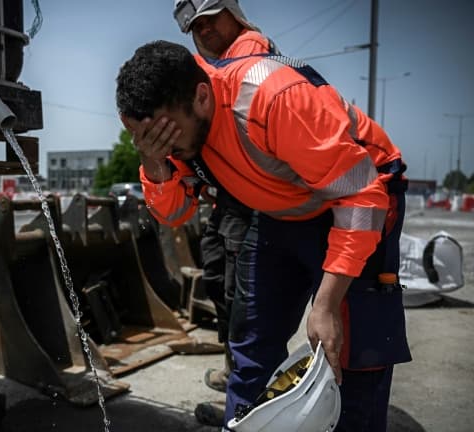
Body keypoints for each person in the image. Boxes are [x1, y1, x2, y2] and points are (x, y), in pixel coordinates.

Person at [116, 40, 411, 431]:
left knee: (353, 350)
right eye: (146, 139)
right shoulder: (170, 131)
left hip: (361, 195)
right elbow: (173, 213)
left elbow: (361, 198)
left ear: (201, 96)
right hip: (280, 210)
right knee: (251, 343)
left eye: (167, 137)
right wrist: (152, 162)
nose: (163, 147)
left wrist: (325, 303)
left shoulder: (271, 99)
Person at [171, 2, 279, 425]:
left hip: (255, 201)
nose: (204, 29)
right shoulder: (209, 70)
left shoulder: (251, 56)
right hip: (227, 199)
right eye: (195, 25)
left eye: (211, 17)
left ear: (234, 12)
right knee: (217, 279)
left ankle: (251, 400)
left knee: (244, 301)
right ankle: (239, 378)